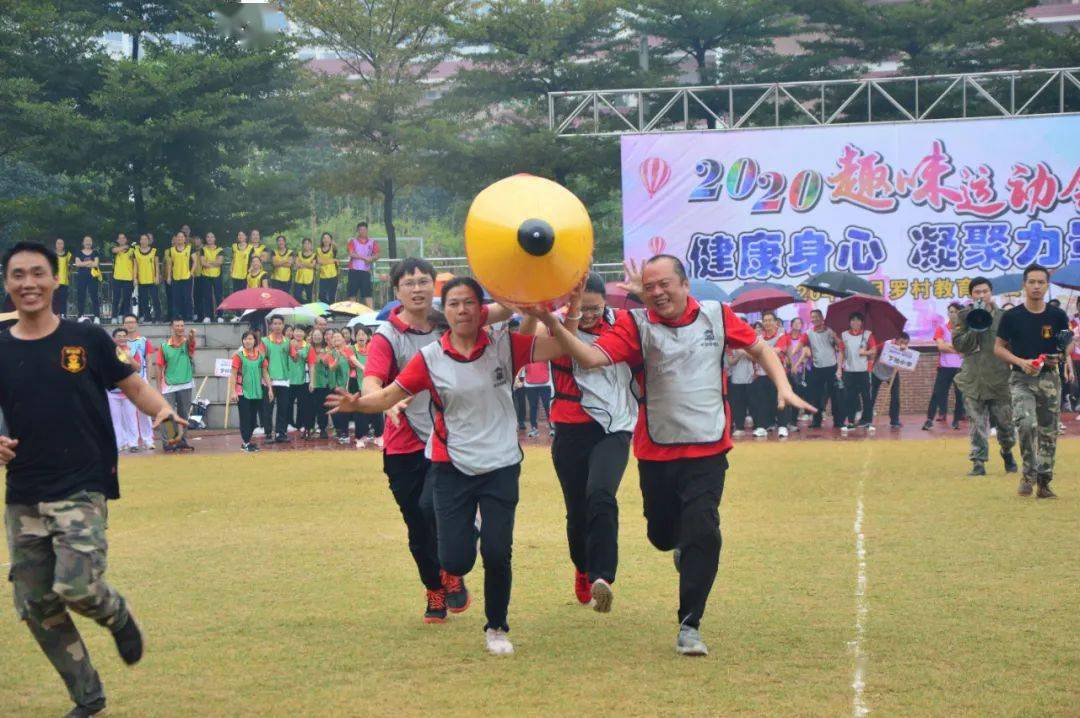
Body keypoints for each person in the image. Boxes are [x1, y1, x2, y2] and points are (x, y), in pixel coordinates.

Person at [526, 255, 815, 656]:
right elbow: (590, 358)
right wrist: (557, 321)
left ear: (684, 284)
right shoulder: (635, 325)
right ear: (643, 292)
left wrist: (782, 386)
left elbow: (759, 347)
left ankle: (690, 625)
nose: (659, 292)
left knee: (704, 530)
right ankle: (673, 545)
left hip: (709, 447)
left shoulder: (717, 314)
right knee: (662, 536)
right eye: (651, 285)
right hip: (657, 450)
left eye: (666, 284)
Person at [331, 276, 567, 655]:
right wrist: (359, 405)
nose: (462, 310)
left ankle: (496, 627)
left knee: (497, 551)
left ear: (481, 309)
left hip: (501, 466)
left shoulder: (505, 345)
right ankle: (458, 556)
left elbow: (559, 347)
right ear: (448, 310)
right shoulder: (430, 358)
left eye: (469, 303)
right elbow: (390, 395)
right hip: (450, 467)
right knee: (455, 559)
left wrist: (554, 318)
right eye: (454, 304)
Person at [0, 241, 184, 718]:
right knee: (35, 604)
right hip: (23, 493)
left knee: (77, 586)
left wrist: (163, 409)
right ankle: (88, 696)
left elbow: (133, 385)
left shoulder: (86, 338)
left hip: (81, 483)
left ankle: (116, 615)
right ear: (7, 284)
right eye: (18, 275)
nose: (28, 284)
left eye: (38, 273)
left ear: (55, 280)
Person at [360, 258, 513, 625]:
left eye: (424, 281)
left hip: (449, 441)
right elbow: (372, 381)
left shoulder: (453, 318)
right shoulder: (388, 335)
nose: (417, 288)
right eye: (409, 282)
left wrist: (526, 282)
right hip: (403, 444)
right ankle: (434, 588)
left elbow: (507, 309)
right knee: (416, 523)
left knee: (432, 509)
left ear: (435, 287)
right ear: (396, 290)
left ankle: (455, 557)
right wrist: (384, 402)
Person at [538, 273, 637, 611]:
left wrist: (644, 294)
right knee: (577, 512)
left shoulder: (623, 324)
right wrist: (572, 309)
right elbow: (536, 337)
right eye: (584, 306)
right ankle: (582, 568)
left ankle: (603, 576)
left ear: (606, 302)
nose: (591, 314)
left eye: (596, 307)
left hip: (612, 429)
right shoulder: (556, 326)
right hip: (569, 429)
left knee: (601, 494)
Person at [994, 264, 1073, 498]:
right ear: (1024, 285)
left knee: (1049, 432)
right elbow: (998, 348)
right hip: (1021, 379)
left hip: (1050, 379)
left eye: (1041, 282)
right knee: (1026, 425)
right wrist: (1019, 361)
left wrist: (1062, 354)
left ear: (1047, 285)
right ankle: (1028, 473)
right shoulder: (1012, 316)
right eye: (1032, 282)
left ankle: (1044, 481)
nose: (1036, 286)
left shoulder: (1057, 315)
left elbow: (1067, 341)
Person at [952, 277, 1018, 477]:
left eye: (984, 292)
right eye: (977, 292)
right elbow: (959, 345)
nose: (981, 295)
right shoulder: (963, 317)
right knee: (977, 423)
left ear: (991, 293)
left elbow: (1013, 345)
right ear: (971, 295)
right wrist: (974, 326)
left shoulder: (1004, 317)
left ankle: (1007, 452)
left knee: (1005, 425)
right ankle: (978, 462)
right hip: (973, 380)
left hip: (999, 379)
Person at [922, 302, 966, 430]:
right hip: (944, 367)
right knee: (937, 393)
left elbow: (966, 349)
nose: (952, 314)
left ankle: (956, 420)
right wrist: (958, 349)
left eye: (955, 312)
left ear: (960, 313)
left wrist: (950, 346)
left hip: (960, 368)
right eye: (950, 312)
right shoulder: (941, 328)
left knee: (960, 395)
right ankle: (929, 419)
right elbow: (941, 346)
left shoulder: (964, 330)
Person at [156, 319, 197, 452]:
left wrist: (192, 336)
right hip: (169, 385)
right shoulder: (164, 346)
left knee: (183, 415)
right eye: (177, 326)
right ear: (171, 328)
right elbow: (159, 367)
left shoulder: (187, 344)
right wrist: (158, 387)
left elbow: (191, 345)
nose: (180, 328)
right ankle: (169, 441)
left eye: (182, 326)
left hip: (185, 384)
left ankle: (182, 440)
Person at [798, 309, 843, 429]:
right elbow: (799, 345)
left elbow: (840, 345)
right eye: (812, 317)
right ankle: (816, 421)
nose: (815, 319)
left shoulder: (830, 331)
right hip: (817, 368)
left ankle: (838, 421)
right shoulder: (808, 333)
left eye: (817, 316)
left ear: (822, 318)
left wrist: (835, 338)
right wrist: (791, 356)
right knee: (816, 396)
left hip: (832, 367)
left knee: (835, 395)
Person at [750, 310, 792, 437]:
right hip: (762, 374)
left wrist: (762, 352)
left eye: (770, 320)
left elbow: (777, 351)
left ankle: (783, 426)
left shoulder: (781, 336)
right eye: (765, 321)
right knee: (763, 402)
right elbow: (753, 354)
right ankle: (762, 426)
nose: (767, 323)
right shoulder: (759, 338)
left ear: (775, 322)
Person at [230, 330, 273, 453]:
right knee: (245, 417)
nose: (247, 341)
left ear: (255, 341)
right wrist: (232, 391)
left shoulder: (260, 355)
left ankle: (248, 441)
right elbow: (233, 374)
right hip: (242, 391)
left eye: (250, 339)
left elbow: (265, 372)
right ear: (242, 341)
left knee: (253, 418)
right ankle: (245, 442)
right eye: (245, 339)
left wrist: (270, 388)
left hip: (257, 391)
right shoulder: (238, 356)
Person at [122, 314, 157, 451]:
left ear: (136, 324)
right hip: (127, 381)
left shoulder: (143, 341)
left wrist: (148, 379)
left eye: (132, 322)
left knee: (144, 412)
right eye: (127, 322)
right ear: (123, 325)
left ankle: (148, 440)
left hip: (142, 380)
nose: (130, 324)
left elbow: (148, 361)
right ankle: (132, 442)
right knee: (129, 413)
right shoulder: (120, 343)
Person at [840, 312, 876, 432]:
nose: (855, 323)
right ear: (849, 322)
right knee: (849, 397)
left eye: (858, 320)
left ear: (861, 322)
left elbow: (874, 350)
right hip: (849, 371)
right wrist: (838, 369)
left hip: (863, 371)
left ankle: (867, 421)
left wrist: (865, 352)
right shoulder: (844, 335)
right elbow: (841, 352)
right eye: (853, 320)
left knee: (866, 397)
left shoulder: (867, 334)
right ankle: (850, 422)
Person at [108, 328, 142, 452]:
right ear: (114, 338)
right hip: (113, 392)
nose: (122, 338)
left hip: (129, 392)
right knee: (115, 420)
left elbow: (138, 368)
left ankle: (133, 444)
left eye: (124, 335)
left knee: (131, 418)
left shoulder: (133, 351)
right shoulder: (108, 353)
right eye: (119, 336)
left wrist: (129, 358)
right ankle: (119, 444)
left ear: (127, 338)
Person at [261, 315, 292, 443]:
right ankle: (268, 433)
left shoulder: (288, 341)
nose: (277, 326)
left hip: (284, 379)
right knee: (268, 408)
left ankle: (281, 433)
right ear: (271, 325)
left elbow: (294, 357)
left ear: (283, 325)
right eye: (275, 323)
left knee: (283, 408)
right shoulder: (265, 341)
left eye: (280, 323)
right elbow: (262, 361)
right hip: (270, 380)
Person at [869, 332, 908, 429]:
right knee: (872, 396)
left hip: (892, 374)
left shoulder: (905, 350)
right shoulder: (886, 344)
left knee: (895, 397)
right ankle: (867, 419)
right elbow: (874, 351)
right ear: (896, 340)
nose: (903, 345)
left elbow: (906, 362)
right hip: (877, 372)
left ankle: (894, 421)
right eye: (901, 342)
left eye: (906, 343)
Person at [287, 325, 316, 439]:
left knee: (305, 406)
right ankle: (284, 430)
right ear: (293, 333)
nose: (299, 333)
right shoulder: (287, 344)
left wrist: (312, 382)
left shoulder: (308, 346)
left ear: (305, 334)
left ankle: (307, 429)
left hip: (303, 380)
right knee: (286, 406)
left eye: (301, 331)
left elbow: (312, 365)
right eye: (297, 331)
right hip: (287, 380)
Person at [309, 328, 336, 440]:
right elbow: (312, 365)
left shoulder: (327, 349)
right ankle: (322, 428)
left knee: (333, 405)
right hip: (318, 382)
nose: (317, 337)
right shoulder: (309, 348)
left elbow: (326, 362)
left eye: (319, 335)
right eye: (315, 335)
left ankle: (338, 428)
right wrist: (312, 381)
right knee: (320, 408)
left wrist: (325, 354)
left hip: (329, 381)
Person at [346, 222, 379, 306]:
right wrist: (364, 258)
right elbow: (351, 253)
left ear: (367, 230)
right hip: (354, 271)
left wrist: (371, 259)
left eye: (364, 229)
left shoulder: (373, 242)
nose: (362, 231)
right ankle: (351, 314)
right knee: (352, 293)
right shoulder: (352, 241)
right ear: (358, 231)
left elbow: (377, 255)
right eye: (360, 229)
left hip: (365, 271)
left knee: (367, 293)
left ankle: (371, 314)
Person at [164, 232, 194, 322]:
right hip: (176, 277)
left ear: (185, 238)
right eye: (178, 237)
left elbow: (195, 261)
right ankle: (177, 316)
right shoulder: (171, 250)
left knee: (187, 297)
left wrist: (191, 273)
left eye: (182, 237)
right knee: (176, 298)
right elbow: (169, 265)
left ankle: (189, 317)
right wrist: (169, 276)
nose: (180, 238)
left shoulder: (189, 248)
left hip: (187, 277)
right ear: (176, 239)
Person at [726, 345, 755, 436]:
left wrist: (744, 353)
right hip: (736, 379)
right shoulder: (730, 345)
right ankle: (739, 427)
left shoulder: (749, 344)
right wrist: (739, 355)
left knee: (753, 403)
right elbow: (730, 362)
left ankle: (758, 426)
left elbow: (755, 358)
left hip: (750, 378)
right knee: (738, 405)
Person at [133, 234, 160, 322]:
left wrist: (157, 276)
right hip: (142, 280)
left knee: (155, 299)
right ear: (140, 241)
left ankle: (158, 317)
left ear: (149, 241)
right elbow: (135, 266)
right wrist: (135, 278)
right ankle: (147, 317)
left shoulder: (154, 251)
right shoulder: (136, 252)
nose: (144, 241)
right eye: (142, 239)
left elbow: (157, 265)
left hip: (152, 279)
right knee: (143, 300)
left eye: (145, 239)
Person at [73, 235, 101, 320]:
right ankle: (80, 316)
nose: (88, 242)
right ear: (83, 242)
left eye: (89, 241)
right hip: (82, 277)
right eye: (86, 241)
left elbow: (96, 264)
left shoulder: (95, 252)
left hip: (93, 277)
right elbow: (77, 264)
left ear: (91, 243)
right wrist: (89, 262)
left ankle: (97, 316)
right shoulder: (79, 252)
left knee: (94, 296)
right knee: (81, 296)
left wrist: (83, 263)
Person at [198, 232, 224, 323]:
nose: (209, 238)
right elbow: (203, 263)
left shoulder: (220, 249)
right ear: (206, 239)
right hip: (205, 275)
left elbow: (220, 262)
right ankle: (208, 316)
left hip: (217, 275)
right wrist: (214, 262)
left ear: (215, 238)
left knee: (218, 296)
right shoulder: (203, 249)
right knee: (206, 296)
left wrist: (209, 262)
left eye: (211, 237)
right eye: (208, 237)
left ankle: (220, 315)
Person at [110, 234, 136, 321]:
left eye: (123, 238)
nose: (122, 239)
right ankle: (114, 317)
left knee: (127, 299)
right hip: (117, 277)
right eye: (120, 238)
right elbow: (113, 250)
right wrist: (125, 247)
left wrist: (135, 278)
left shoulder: (132, 250)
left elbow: (135, 264)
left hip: (128, 278)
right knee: (116, 298)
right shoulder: (115, 250)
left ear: (126, 239)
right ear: (117, 240)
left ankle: (124, 317)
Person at [316, 232, 339, 304]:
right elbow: (319, 262)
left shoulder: (333, 248)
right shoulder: (318, 250)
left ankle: (331, 312)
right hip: (323, 275)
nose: (326, 240)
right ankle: (326, 308)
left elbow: (323, 261)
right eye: (324, 238)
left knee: (332, 296)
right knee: (321, 295)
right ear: (322, 240)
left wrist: (325, 261)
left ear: (331, 240)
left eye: (328, 238)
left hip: (333, 275)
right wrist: (332, 260)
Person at [293, 237, 317, 303]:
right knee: (296, 296)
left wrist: (302, 264)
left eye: (308, 243)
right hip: (299, 277)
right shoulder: (299, 253)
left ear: (311, 245)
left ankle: (308, 308)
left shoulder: (314, 255)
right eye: (305, 243)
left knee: (309, 297)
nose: (306, 245)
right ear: (303, 245)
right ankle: (302, 306)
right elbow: (297, 264)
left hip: (309, 278)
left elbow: (312, 265)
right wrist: (307, 264)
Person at [54, 238, 72, 317]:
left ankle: (63, 314)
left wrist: (69, 273)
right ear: (55, 244)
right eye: (58, 243)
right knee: (54, 300)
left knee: (63, 299)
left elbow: (71, 265)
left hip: (64, 280)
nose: (59, 245)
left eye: (61, 243)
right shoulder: (51, 254)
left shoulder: (68, 254)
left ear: (64, 245)